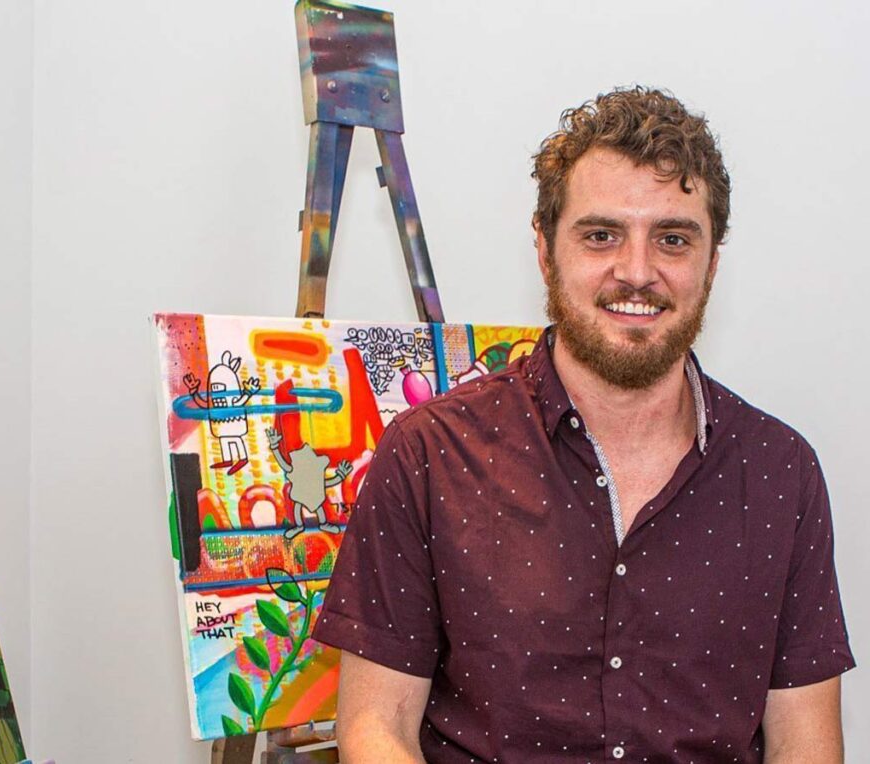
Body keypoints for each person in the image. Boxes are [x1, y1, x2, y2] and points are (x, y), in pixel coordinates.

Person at [311, 86, 855, 763]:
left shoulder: (781, 473)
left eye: (673, 239)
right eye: (601, 236)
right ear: (545, 251)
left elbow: (806, 743)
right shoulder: (428, 454)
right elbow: (377, 729)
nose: (637, 272)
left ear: (711, 264)